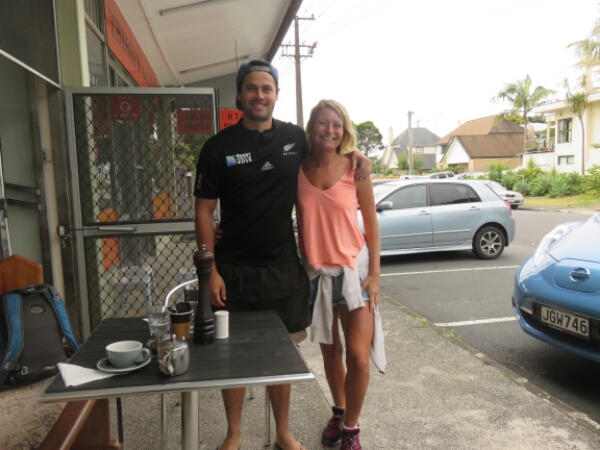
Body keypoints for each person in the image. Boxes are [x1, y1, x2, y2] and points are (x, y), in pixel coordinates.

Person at [194, 60, 371, 450]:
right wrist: (212, 269)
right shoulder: (217, 147)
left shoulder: (294, 138)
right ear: (239, 94)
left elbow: (330, 147)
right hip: (232, 270)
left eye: (267, 88)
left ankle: (283, 433)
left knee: (281, 354)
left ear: (276, 94)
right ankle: (234, 434)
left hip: (283, 269)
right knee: (232, 355)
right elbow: (204, 211)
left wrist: (358, 155)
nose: (259, 95)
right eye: (252, 88)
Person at [295, 100, 382, 450]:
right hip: (316, 276)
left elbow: (372, 225)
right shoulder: (296, 170)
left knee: (358, 357)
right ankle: (339, 411)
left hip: (354, 273)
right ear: (311, 127)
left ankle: (350, 428)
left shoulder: (355, 170)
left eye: (337, 125)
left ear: (344, 131)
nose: (329, 130)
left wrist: (375, 275)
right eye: (323, 123)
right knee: (331, 355)